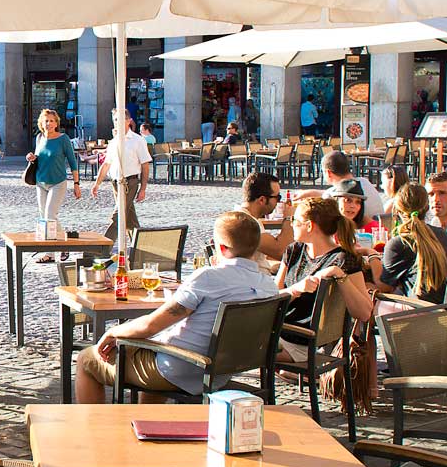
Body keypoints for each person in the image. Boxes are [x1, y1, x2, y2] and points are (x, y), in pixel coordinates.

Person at [73, 211, 280, 404]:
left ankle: (94, 433)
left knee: (86, 359)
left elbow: (151, 325)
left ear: (222, 248)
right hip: (221, 371)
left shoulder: (208, 278)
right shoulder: (268, 285)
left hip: (183, 367)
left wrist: (112, 332)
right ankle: (147, 428)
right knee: (150, 352)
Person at [276, 197, 375, 362]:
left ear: (309, 225)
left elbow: (364, 312)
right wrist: (296, 289)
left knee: (235, 349)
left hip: (299, 342)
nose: (291, 224)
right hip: (280, 332)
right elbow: (274, 296)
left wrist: (340, 275)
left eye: (295, 220)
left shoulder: (343, 259)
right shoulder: (294, 250)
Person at [371, 185, 447, 311]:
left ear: (397, 211)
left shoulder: (400, 243)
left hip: (418, 312)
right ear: (426, 208)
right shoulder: (444, 235)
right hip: (445, 312)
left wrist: (372, 255)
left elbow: (384, 286)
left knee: (367, 296)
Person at [90, 110, 152, 245]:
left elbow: (145, 165)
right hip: (115, 182)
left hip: (130, 182)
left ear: (129, 121)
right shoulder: (113, 142)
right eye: (115, 120)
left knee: (117, 215)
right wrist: (97, 184)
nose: (118, 122)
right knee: (129, 217)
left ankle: (103, 247)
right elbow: (106, 164)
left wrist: (143, 188)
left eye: (121, 119)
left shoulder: (137, 140)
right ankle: (140, 246)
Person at [30, 109, 84, 262]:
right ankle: (51, 253)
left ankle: (59, 246)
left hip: (58, 182)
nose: (49, 124)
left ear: (56, 123)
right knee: (45, 217)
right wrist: (31, 157)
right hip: (41, 182)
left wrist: (76, 183)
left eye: (52, 121)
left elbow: (73, 162)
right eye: (46, 121)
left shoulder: (63, 139)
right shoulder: (39, 138)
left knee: (50, 215)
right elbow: (37, 158)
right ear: (41, 123)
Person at [237, 172, 294, 262]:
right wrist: (289, 218)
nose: (279, 202)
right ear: (262, 200)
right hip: (253, 275)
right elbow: (282, 252)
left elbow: (265, 255)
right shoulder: (246, 222)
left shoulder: (248, 216)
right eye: (277, 197)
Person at [325, 179, 382, 254]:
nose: (353, 206)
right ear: (336, 201)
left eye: (358, 202)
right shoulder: (325, 228)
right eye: (348, 200)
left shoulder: (370, 227)